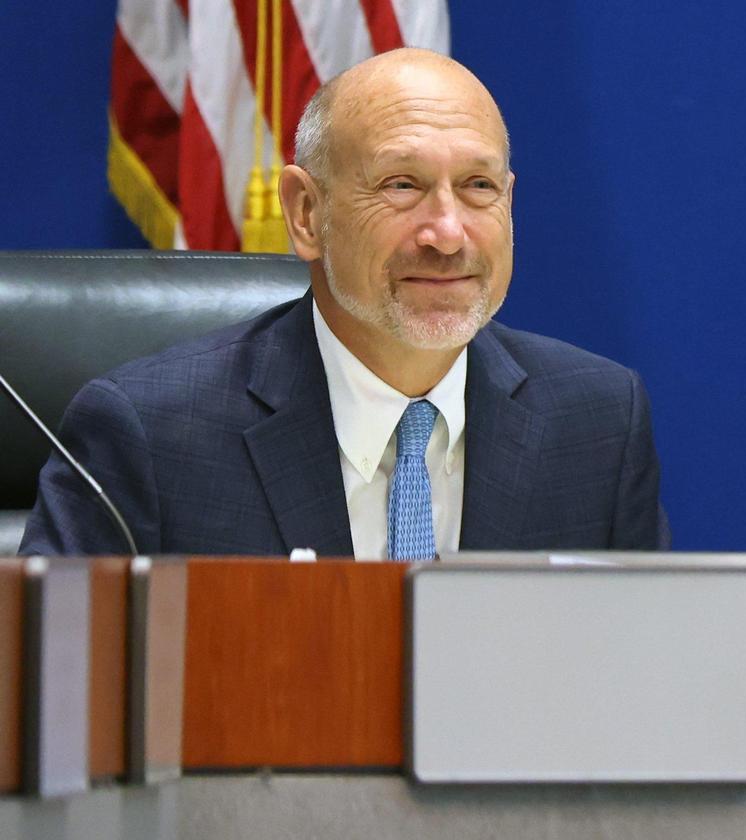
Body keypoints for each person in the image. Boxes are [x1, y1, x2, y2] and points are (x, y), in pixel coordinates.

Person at [20, 48, 669, 559]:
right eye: (402, 185)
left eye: (477, 187)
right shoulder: (152, 435)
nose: (447, 234)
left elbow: (640, 688)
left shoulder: (599, 423)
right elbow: (57, 702)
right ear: (306, 213)